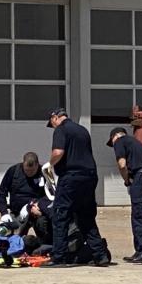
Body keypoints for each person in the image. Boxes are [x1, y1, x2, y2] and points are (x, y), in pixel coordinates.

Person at [46, 107, 111, 266]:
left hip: (71, 177)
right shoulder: (82, 130)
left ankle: (59, 257)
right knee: (86, 217)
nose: (52, 126)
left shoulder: (61, 130)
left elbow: (58, 152)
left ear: (55, 118)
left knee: (60, 215)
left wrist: (50, 164)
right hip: (89, 177)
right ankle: (100, 255)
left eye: (51, 123)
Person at [108, 126, 142, 264]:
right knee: (141, 215)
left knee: (139, 216)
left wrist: (127, 180)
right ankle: (140, 250)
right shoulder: (135, 142)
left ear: (114, 136)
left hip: (140, 178)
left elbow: (122, 165)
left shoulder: (119, 141)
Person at [0, 151, 46, 225]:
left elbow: (51, 195)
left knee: (44, 227)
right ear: (23, 164)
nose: (29, 173)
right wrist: (4, 213)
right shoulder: (13, 171)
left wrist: (34, 206)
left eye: (32, 171)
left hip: (37, 211)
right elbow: (2, 192)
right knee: (11, 231)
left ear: (37, 165)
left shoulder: (44, 173)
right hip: (17, 213)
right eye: (27, 170)